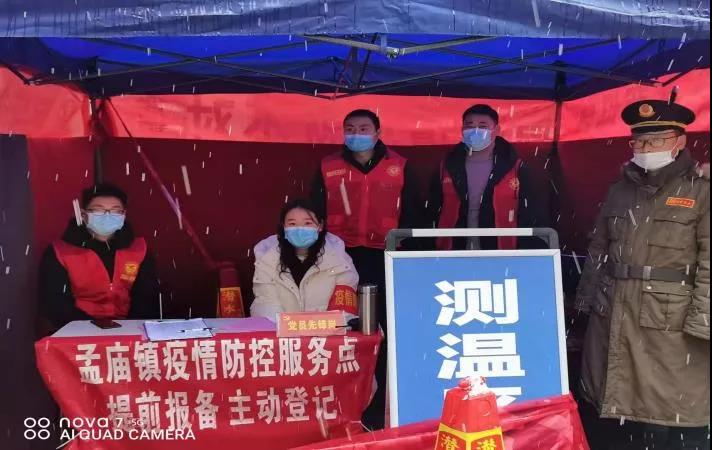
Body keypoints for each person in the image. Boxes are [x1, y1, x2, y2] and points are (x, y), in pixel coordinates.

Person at [575, 97, 709, 450]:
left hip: (670, 319)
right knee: (613, 406)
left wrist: (704, 321)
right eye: (639, 142)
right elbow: (599, 248)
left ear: (680, 141)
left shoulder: (701, 190)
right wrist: (585, 303)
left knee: (673, 410)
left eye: (657, 140)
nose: (646, 149)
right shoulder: (620, 189)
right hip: (613, 309)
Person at [311, 109, 423, 429]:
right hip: (339, 258)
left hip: (386, 257)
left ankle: (377, 411)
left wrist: (408, 258)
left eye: (363, 128)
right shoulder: (328, 165)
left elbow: (415, 213)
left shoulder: (400, 166)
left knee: (384, 333)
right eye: (350, 128)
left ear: (377, 132)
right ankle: (339, 406)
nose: (356, 134)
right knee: (343, 329)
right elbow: (314, 211)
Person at [39, 183, 160, 330]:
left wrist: (128, 328)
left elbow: (147, 297)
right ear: (83, 215)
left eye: (115, 211)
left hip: (130, 328)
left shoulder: (139, 249)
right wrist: (95, 330)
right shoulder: (60, 252)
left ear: (123, 215)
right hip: (77, 330)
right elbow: (56, 304)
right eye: (98, 210)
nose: (107, 216)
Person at [427, 104, 547, 250]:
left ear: (496, 130)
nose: (475, 130)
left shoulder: (515, 166)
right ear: (462, 129)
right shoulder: (447, 166)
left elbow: (531, 213)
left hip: (502, 251)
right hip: (453, 250)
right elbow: (432, 210)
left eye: (482, 126)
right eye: (469, 125)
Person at [250, 199, 359, 320]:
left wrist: (317, 328)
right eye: (292, 224)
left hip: (325, 330)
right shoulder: (267, 260)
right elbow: (266, 304)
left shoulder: (340, 261)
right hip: (280, 330)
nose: (299, 229)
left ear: (320, 226)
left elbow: (343, 311)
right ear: (283, 226)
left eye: (307, 223)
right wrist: (285, 328)